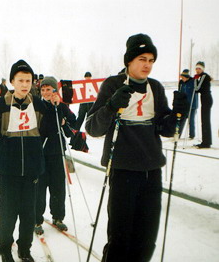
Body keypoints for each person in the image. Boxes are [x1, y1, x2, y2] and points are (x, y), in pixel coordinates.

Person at [85, 33, 188, 262]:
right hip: (123, 171)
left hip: (151, 172)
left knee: (146, 240)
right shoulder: (113, 84)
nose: (147, 65)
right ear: (129, 61)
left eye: (151, 60)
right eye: (142, 59)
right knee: (120, 240)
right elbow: (92, 128)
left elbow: (166, 128)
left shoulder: (156, 88)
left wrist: (181, 112)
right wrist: (111, 105)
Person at [0, 60, 56, 262]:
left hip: (32, 168)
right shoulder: (0, 104)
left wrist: (53, 107)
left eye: (28, 80)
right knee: (8, 212)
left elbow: (49, 131)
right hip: (9, 168)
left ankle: (24, 248)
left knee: (28, 213)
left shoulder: (39, 104)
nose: (25, 84)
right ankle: (5, 246)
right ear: (12, 82)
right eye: (20, 80)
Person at [34, 77, 76, 235]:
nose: (46, 93)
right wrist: (54, 111)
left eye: (49, 90)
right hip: (42, 152)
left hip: (57, 151)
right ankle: (36, 219)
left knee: (58, 187)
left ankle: (58, 217)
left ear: (55, 90)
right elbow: (43, 126)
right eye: (43, 90)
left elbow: (73, 121)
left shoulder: (61, 105)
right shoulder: (38, 105)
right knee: (40, 188)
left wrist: (61, 112)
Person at [193, 61, 213, 148]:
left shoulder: (204, 76)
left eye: (199, 69)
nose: (197, 70)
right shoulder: (201, 77)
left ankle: (206, 142)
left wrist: (195, 80)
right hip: (205, 99)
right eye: (196, 68)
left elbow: (197, 88)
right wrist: (196, 79)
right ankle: (206, 141)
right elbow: (198, 90)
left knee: (205, 121)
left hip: (207, 99)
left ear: (202, 69)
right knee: (204, 120)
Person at [179, 69, 198, 139]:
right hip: (184, 105)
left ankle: (192, 135)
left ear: (186, 77)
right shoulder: (181, 82)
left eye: (183, 77)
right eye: (181, 77)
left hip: (192, 105)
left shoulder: (192, 81)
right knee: (181, 120)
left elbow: (196, 90)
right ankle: (178, 134)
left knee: (191, 120)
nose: (182, 79)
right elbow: (179, 92)